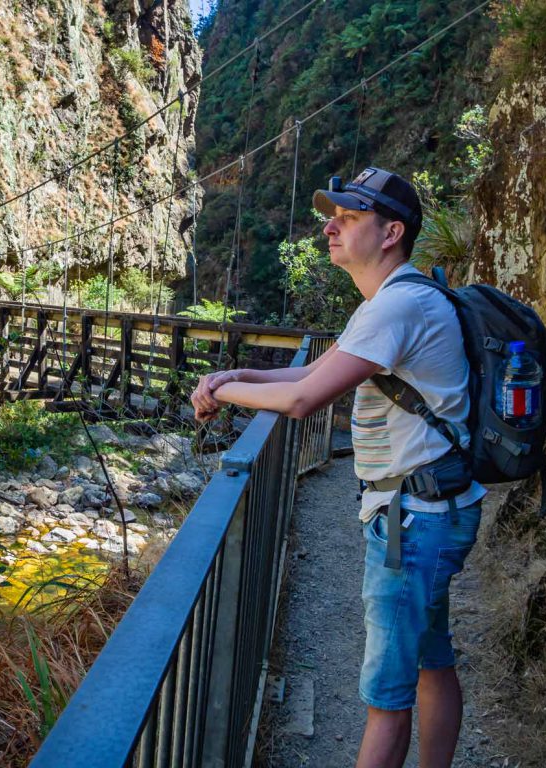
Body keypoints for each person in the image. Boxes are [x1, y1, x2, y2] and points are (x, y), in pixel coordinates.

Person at [191, 167, 485, 768]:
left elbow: (303, 401)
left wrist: (220, 394)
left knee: (385, 697)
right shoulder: (393, 297)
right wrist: (241, 376)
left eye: (349, 218)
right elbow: (311, 374)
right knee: (430, 660)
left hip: (414, 521)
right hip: (428, 507)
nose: (330, 227)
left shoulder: (396, 305)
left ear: (389, 232)